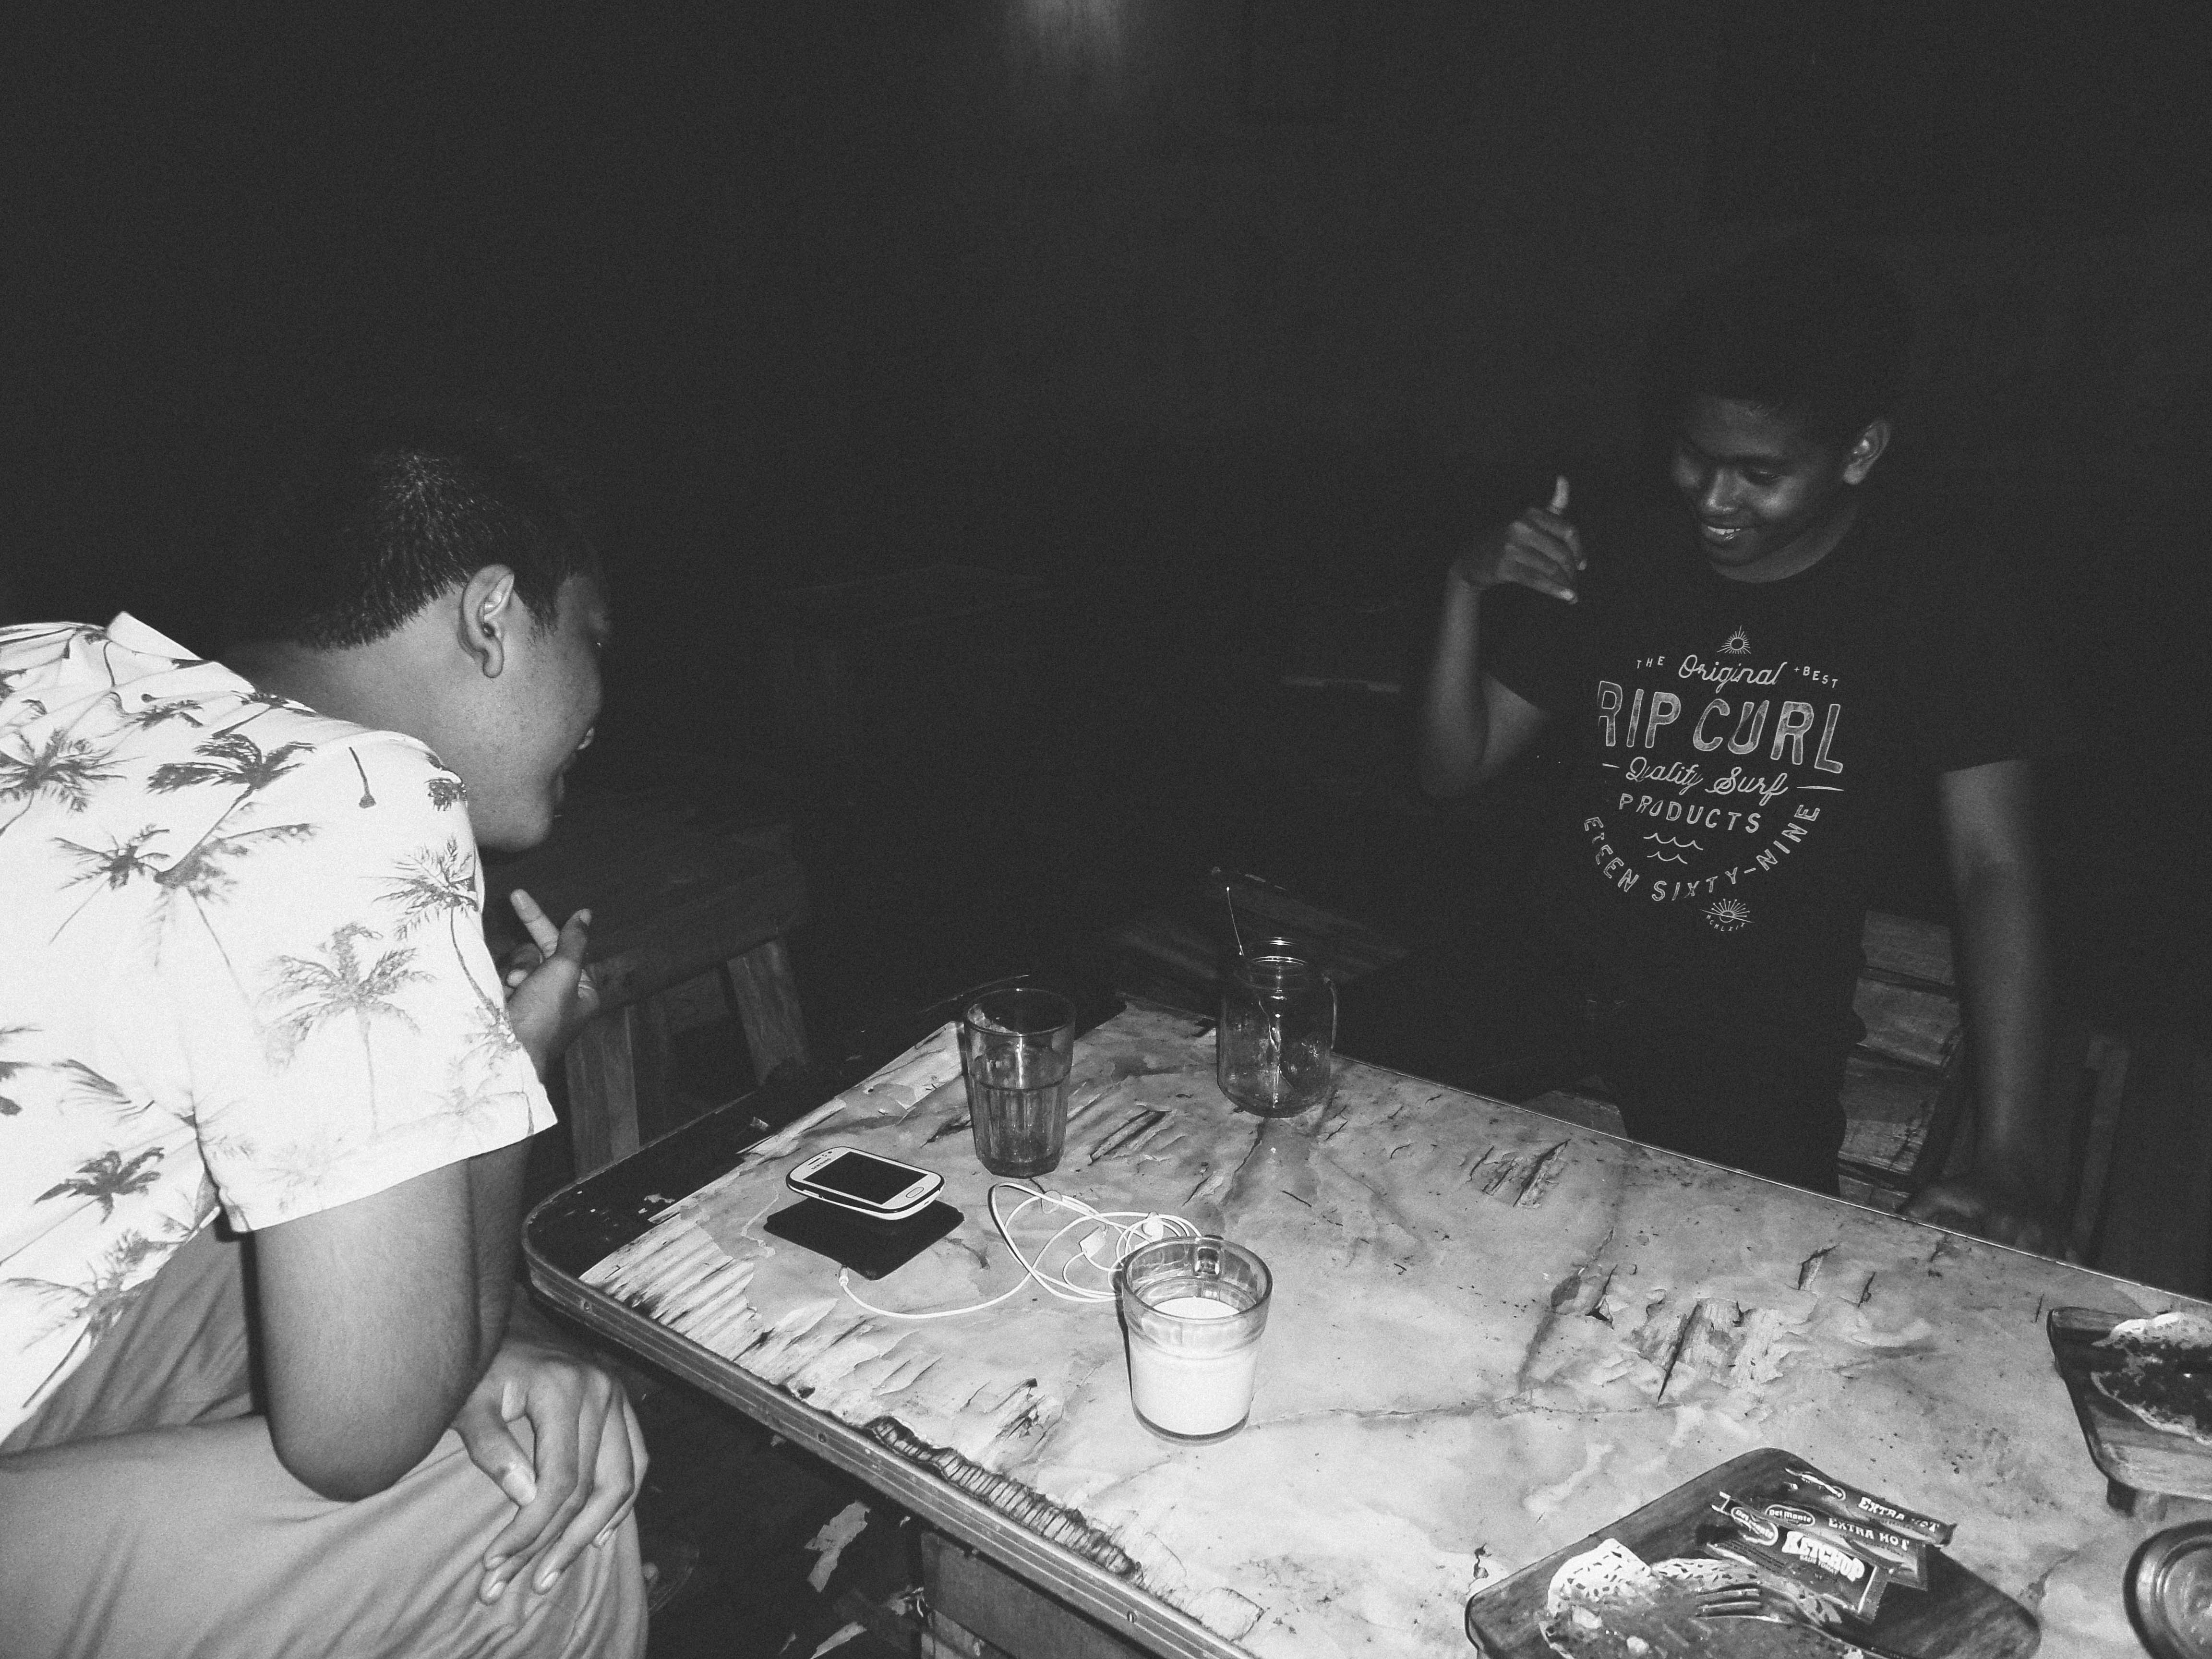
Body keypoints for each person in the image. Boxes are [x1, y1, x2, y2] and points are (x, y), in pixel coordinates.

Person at [0, 413, 649, 1656]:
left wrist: (489, 1330)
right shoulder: (359, 794)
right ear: (494, 616)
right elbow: (356, 1439)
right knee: (526, 1512)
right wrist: (505, 1074)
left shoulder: (53, 662)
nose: (602, 704)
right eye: (595, 639)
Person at [1414, 240, 2069, 1250]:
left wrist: (2012, 1154)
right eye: (1694, 455)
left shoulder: (1938, 601)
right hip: (1542, 962)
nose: (1714, 500)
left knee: (1761, 1278)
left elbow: (1996, 868)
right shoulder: (1625, 554)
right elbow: (1453, 768)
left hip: (1747, 1027)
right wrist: (1466, 585)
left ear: (1859, 452)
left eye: (1760, 474)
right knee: (1301, 1085)